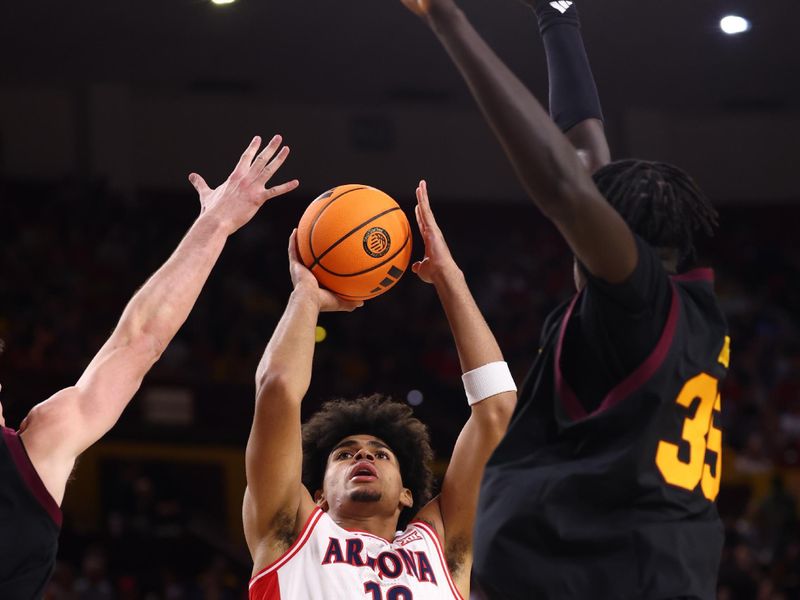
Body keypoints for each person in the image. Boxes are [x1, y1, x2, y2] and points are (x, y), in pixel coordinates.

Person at [396, 0, 730, 598]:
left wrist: (446, 19)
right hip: (639, 566)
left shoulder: (639, 302)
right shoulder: (682, 307)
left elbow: (566, 186)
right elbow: (585, 154)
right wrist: (559, 17)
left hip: (609, 574)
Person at [0, 135, 299, 600]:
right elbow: (139, 341)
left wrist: (216, 224)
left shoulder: (37, 447)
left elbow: (140, 340)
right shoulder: (38, 448)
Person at [244, 181, 516, 599]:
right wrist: (306, 297)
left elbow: (498, 409)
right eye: (345, 453)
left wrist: (449, 277)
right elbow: (277, 389)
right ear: (317, 496)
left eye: (380, 453)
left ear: (407, 494)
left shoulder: (442, 550)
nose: (364, 455)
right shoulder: (290, 533)